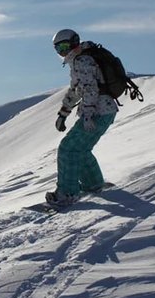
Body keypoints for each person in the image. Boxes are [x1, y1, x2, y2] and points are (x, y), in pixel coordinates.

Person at [47, 28, 118, 207]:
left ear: (73, 42)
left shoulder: (83, 61)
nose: (62, 52)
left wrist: (87, 117)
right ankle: (93, 184)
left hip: (98, 112)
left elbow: (90, 90)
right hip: (104, 111)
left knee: (68, 149)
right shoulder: (80, 60)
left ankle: (67, 193)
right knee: (81, 149)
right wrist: (64, 113)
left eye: (64, 47)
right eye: (58, 49)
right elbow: (76, 90)